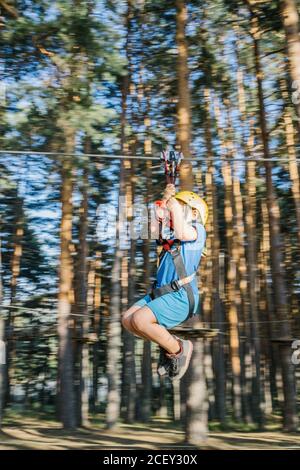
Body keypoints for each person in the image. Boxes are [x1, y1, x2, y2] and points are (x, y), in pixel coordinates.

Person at [122, 183, 208, 380]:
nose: (172, 212)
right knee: (128, 320)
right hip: (163, 293)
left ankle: (178, 349)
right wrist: (162, 203)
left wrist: (173, 204)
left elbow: (183, 232)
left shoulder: (198, 231)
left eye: (178, 209)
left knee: (140, 320)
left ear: (194, 213)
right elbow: (154, 230)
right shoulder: (170, 236)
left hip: (181, 297)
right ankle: (168, 343)